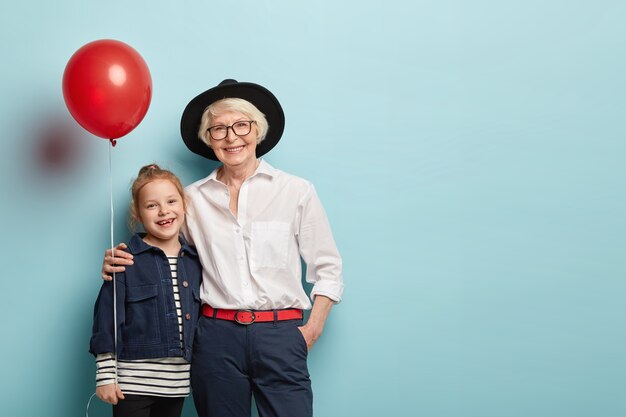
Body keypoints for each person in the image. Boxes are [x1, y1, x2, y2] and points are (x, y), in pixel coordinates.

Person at [102, 79, 344, 417]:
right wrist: (121, 259)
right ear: (208, 139)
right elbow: (162, 249)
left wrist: (311, 330)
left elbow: (328, 268)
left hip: (281, 335)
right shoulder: (191, 199)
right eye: (218, 129)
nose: (231, 137)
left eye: (241, 125)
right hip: (215, 338)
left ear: (257, 131)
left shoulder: (296, 191)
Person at [91, 164, 202, 417]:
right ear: (138, 214)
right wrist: (106, 375)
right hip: (132, 385)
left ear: (184, 204)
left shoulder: (195, 261)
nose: (164, 211)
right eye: (152, 205)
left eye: (171, 201)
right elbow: (107, 318)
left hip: (176, 385)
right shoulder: (125, 260)